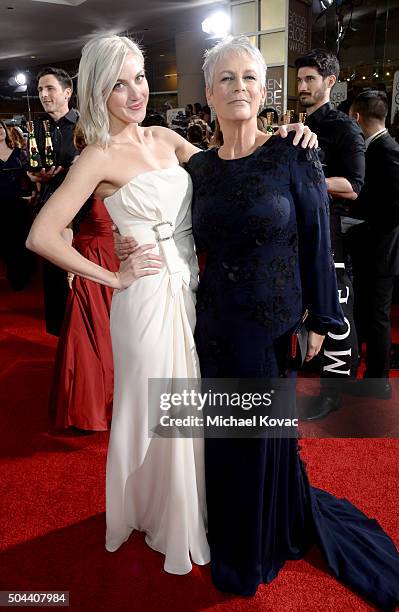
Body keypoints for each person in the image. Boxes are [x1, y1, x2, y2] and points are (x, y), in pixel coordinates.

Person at [115, 35, 399, 609]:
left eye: (249, 77)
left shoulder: (295, 152)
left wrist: (322, 316)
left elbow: (318, 240)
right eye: (227, 79)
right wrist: (126, 247)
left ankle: (256, 539)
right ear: (209, 95)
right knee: (222, 438)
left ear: (263, 90)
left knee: (258, 437)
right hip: (212, 322)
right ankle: (226, 528)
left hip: (271, 327)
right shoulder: (198, 167)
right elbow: (163, 220)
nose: (239, 88)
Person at [26, 34, 316, 577]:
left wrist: (286, 137)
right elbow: (42, 234)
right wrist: (113, 274)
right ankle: (171, 519)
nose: (135, 91)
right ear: (96, 90)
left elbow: (234, 169)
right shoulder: (98, 157)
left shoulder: (166, 138)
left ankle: (199, 509)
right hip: (147, 300)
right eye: (118, 83)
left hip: (196, 293)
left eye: (138, 77)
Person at [295, 49, 366, 420]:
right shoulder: (301, 124)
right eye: (301, 78)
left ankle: (335, 393)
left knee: (338, 309)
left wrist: (308, 182)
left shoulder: (343, 127)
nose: (303, 85)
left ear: (330, 83)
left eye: (311, 79)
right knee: (314, 304)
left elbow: (354, 186)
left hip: (332, 232)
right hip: (304, 231)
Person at [48, 127, 119, 431]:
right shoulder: (81, 170)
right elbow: (63, 222)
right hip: (91, 257)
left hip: (123, 256)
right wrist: (69, 263)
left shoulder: (128, 164)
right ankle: (90, 408)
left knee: (120, 332)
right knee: (90, 333)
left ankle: (117, 402)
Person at [347, 90, 399, 399]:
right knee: (368, 313)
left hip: (382, 251)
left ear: (356, 118)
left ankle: (378, 382)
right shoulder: (379, 146)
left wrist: (361, 225)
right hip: (374, 250)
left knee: (377, 317)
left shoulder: (387, 150)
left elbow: (394, 207)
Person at [27, 67, 79, 336]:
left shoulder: (84, 125)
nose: (44, 95)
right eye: (39, 90)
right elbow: (31, 165)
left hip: (81, 213)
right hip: (49, 208)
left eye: (50, 89)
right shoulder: (36, 127)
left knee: (79, 272)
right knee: (53, 273)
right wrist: (34, 175)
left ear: (67, 92)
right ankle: (60, 332)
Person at [0, 119, 34, 290]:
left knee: (20, 239)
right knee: (5, 241)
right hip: (0, 205)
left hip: (19, 203)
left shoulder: (19, 153)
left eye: (0, 127)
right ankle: (13, 275)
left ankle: (23, 274)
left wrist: (33, 193)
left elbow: (30, 176)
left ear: (5, 130)